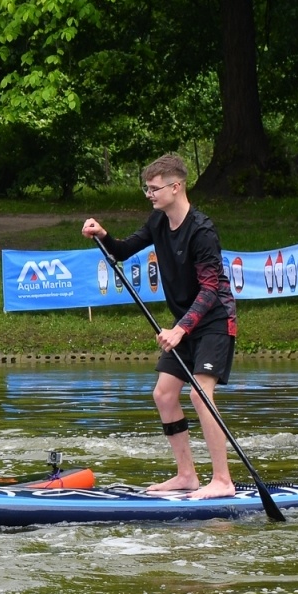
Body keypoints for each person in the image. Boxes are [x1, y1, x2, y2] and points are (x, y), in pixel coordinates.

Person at [82, 154, 238, 499]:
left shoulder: (202, 231)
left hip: (214, 320)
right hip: (186, 324)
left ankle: (223, 480)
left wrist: (180, 329)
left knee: (200, 394)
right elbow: (121, 251)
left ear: (175, 187)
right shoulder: (157, 222)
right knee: (164, 395)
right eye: (147, 188)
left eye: (153, 188)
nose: (149, 194)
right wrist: (103, 234)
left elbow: (211, 289)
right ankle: (186, 476)